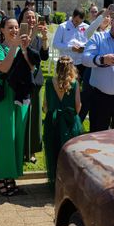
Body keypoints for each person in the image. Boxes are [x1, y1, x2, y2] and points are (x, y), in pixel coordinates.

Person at [0, 16, 39, 196]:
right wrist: (14, 46)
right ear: (2, 30)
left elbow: (32, 69)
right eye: (10, 27)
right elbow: (3, 68)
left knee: (17, 138)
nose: (14, 31)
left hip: (21, 96)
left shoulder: (21, 47)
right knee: (5, 138)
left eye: (17, 27)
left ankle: (10, 177)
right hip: (4, 96)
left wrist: (24, 48)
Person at [43, 56, 82, 187]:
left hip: (53, 122)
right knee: (70, 152)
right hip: (70, 121)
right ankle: (69, 182)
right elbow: (78, 106)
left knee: (53, 151)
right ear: (72, 68)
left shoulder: (49, 82)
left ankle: (56, 181)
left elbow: (45, 106)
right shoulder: (75, 83)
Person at [18, 7, 49, 163]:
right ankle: (20, 148)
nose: (30, 20)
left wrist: (44, 38)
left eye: (33, 17)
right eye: (27, 17)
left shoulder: (37, 38)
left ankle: (32, 151)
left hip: (35, 81)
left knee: (35, 119)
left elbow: (43, 57)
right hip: (21, 82)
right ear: (21, 19)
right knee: (22, 118)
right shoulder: (18, 36)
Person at [52, 8, 89, 77]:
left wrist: (84, 48)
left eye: (81, 22)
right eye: (76, 21)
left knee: (79, 86)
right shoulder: (62, 26)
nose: (78, 24)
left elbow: (90, 43)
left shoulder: (86, 27)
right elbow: (55, 44)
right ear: (72, 16)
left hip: (81, 62)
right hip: (66, 62)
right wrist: (70, 48)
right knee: (65, 86)